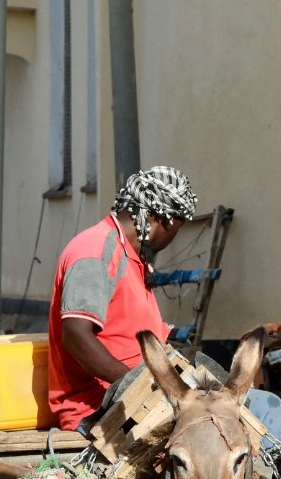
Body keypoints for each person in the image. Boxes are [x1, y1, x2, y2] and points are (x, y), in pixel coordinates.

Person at [48, 166, 197, 431]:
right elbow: (75, 336)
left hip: (138, 404)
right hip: (99, 411)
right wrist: (141, 386)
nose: (170, 241)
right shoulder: (95, 250)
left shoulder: (132, 256)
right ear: (158, 219)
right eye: (174, 232)